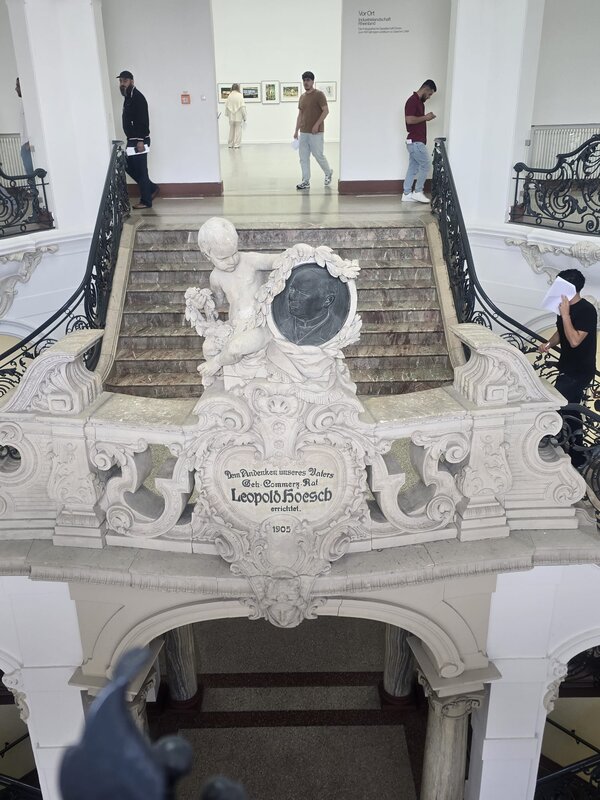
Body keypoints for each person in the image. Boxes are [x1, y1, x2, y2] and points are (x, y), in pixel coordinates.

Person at [196, 217, 279, 378]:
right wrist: (203, 303)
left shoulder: (251, 260)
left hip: (261, 325)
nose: (232, 261)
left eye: (234, 253)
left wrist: (296, 252)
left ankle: (217, 363)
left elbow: (275, 260)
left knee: (235, 347)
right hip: (235, 326)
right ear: (207, 255)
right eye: (223, 258)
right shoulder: (216, 277)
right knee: (208, 347)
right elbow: (216, 305)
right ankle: (223, 381)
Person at [539, 269, 597, 468]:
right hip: (567, 367)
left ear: (568, 288)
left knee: (556, 404)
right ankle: (578, 454)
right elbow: (561, 332)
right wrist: (548, 344)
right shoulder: (563, 308)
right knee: (571, 408)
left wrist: (565, 315)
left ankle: (552, 441)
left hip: (580, 371)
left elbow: (574, 340)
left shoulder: (586, 310)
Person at [117, 70, 159, 209]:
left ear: (132, 81)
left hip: (139, 140)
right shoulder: (128, 97)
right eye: (121, 81)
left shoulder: (137, 97)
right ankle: (151, 188)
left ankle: (146, 201)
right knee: (128, 166)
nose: (122, 84)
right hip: (132, 140)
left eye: (125, 81)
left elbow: (142, 120)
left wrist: (141, 140)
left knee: (141, 170)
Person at [293, 71, 333, 190]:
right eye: (304, 80)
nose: (306, 82)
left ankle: (328, 172)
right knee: (303, 158)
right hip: (304, 132)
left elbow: (326, 111)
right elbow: (300, 114)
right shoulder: (302, 97)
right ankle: (305, 181)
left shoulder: (319, 95)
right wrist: (296, 130)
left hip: (316, 132)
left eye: (308, 80)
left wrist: (317, 125)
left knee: (318, 155)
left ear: (312, 81)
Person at [402, 79, 437, 204]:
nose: (428, 97)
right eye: (429, 94)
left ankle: (406, 194)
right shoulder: (412, 101)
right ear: (426, 89)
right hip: (415, 142)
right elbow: (409, 120)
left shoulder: (419, 103)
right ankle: (418, 191)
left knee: (413, 167)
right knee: (426, 164)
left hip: (414, 142)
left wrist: (425, 118)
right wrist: (426, 117)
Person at [15, 78, 34, 176]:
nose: (15, 88)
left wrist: (30, 143)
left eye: (17, 86)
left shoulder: (30, 103)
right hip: (25, 144)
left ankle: (35, 191)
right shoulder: (24, 102)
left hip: (28, 144)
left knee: (31, 172)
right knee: (28, 172)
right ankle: (33, 190)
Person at [224, 84, 247, 148]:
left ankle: (230, 144)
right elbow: (242, 107)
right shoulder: (240, 96)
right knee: (238, 131)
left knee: (231, 130)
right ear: (238, 88)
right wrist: (245, 116)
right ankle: (236, 144)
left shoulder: (230, 95)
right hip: (238, 116)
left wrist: (227, 114)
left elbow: (227, 107)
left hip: (231, 116)